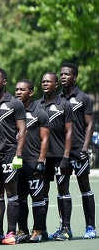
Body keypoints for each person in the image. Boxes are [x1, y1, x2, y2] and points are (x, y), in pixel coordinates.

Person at [0, 68, 26, 245]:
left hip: (9, 154)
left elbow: (22, 129)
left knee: (11, 193)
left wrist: (18, 155)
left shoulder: (15, 103)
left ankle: (11, 232)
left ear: (4, 82)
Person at [59, 62, 96, 239]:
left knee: (84, 187)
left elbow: (90, 125)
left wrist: (85, 148)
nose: (63, 77)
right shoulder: (57, 98)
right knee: (62, 188)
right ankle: (65, 228)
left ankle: (90, 227)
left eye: (67, 74)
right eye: (61, 74)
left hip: (78, 150)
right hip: (61, 153)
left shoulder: (84, 98)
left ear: (75, 77)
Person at [38, 72, 73, 240]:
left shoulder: (64, 105)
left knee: (63, 190)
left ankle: (65, 228)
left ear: (56, 84)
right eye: (43, 81)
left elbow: (69, 132)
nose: (45, 84)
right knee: (42, 192)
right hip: (43, 158)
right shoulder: (37, 105)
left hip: (60, 157)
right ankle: (41, 230)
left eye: (48, 81)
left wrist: (66, 157)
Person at [14, 79, 49, 243]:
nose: (18, 92)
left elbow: (45, 139)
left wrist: (41, 161)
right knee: (20, 199)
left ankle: (38, 230)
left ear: (31, 92)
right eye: (16, 89)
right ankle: (22, 230)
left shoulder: (40, 112)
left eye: (22, 89)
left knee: (37, 198)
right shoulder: (13, 110)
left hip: (34, 161)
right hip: (17, 162)